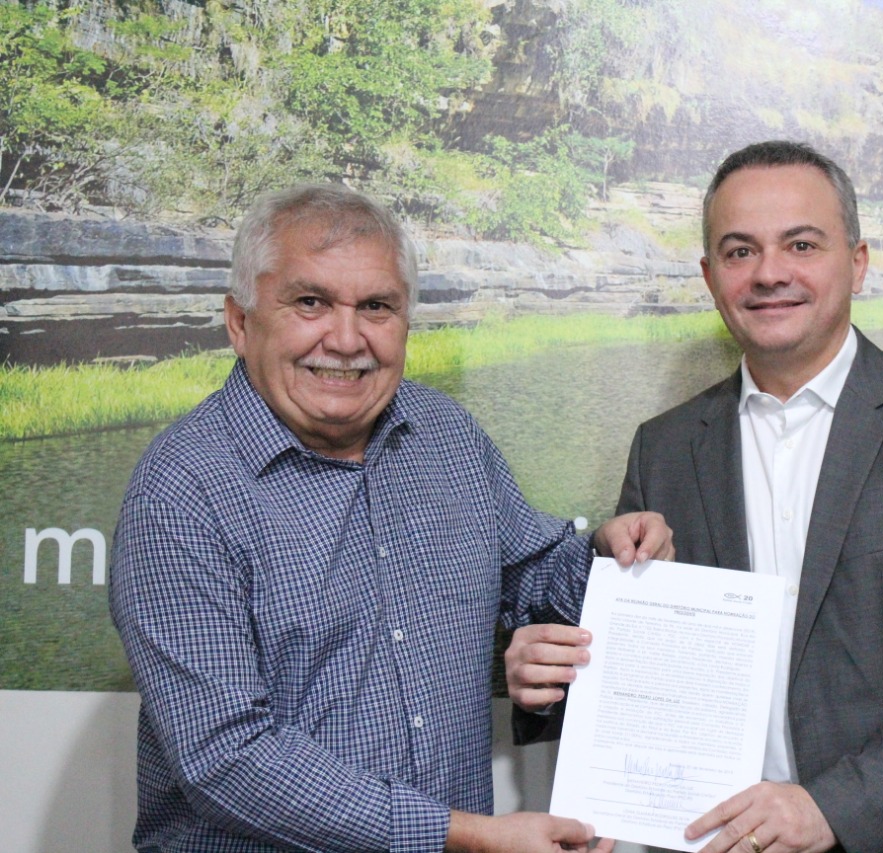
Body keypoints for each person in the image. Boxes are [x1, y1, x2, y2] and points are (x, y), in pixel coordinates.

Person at [505, 141, 883, 853]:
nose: (769, 273)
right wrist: (551, 677)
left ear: (856, 260)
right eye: (739, 251)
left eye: (801, 243)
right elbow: (650, 681)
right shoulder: (664, 448)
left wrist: (834, 808)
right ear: (709, 276)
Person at [109, 183, 673, 853]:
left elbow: (533, 571)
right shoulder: (181, 490)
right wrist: (464, 836)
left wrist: (603, 555)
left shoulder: (448, 437)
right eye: (310, 301)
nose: (346, 339)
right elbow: (228, 758)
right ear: (240, 321)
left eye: (376, 306)